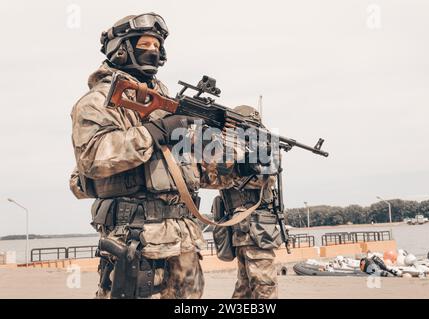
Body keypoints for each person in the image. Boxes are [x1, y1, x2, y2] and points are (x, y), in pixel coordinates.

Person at [69, 13, 206, 299]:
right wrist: (156, 130)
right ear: (121, 48)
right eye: (146, 44)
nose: (153, 52)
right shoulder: (96, 102)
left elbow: (196, 173)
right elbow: (93, 157)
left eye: (158, 47)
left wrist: (241, 160)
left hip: (184, 244)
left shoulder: (169, 105)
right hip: (138, 243)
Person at [212, 105, 282, 299]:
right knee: (244, 287)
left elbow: (263, 179)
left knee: (263, 286)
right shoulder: (232, 149)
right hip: (240, 228)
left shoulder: (264, 151)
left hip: (257, 227)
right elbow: (217, 177)